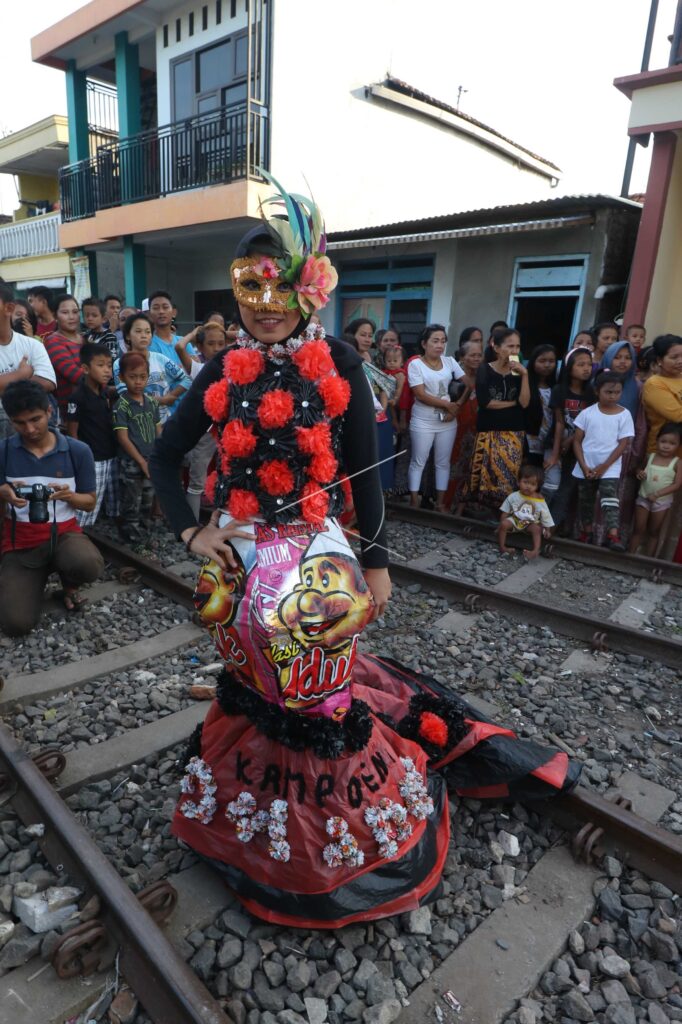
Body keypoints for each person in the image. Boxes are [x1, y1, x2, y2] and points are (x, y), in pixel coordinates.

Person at [149, 178, 575, 928]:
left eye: (282, 286)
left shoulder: (340, 361)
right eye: (252, 286)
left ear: (311, 288)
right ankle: (256, 806)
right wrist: (192, 530)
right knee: (253, 668)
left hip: (316, 539)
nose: (267, 302)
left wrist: (375, 564)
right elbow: (165, 454)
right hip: (242, 543)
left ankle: (316, 815)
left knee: (316, 670)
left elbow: (367, 472)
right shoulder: (219, 369)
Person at [0, 380, 103, 631]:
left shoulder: (78, 451)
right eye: (20, 423)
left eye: (35, 419)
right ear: (11, 421)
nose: (30, 429)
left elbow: (89, 503)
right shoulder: (3, 451)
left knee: (88, 563)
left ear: (49, 411)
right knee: (16, 624)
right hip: (20, 544)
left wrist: (68, 496)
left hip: (64, 536)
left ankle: (68, 584)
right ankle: (33, 580)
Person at [468, 327, 530, 512]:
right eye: (510, 346)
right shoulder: (484, 370)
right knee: (485, 473)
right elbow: (486, 402)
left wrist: (525, 375)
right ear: (496, 346)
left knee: (508, 474)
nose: (514, 351)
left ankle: (502, 513)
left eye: (517, 347)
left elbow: (525, 403)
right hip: (489, 429)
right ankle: (481, 511)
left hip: (513, 430)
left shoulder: (519, 371)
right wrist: (513, 404)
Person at [572, 370, 635, 550]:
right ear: (597, 391)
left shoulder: (624, 415)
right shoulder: (587, 413)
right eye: (608, 392)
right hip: (586, 465)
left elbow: (623, 444)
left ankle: (613, 535)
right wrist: (584, 465)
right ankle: (587, 532)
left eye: (617, 392)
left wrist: (605, 466)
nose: (613, 396)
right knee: (586, 499)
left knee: (609, 498)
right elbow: (577, 441)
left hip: (610, 467)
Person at [407, 324, 465, 511]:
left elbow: (469, 384)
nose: (440, 345)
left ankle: (440, 503)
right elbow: (420, 394)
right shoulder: (416, 364)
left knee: (443, 462)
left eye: (443, 341)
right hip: (423, 419)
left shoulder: (450, 362)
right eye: (435, 341)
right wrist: (448, 405)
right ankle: (414, 500)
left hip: (448, 420)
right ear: (424, 343)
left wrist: (456, 407)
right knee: (418, 461)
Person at [175, 321, 228, 517]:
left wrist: (223, 333)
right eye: (211, 343)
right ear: (199, 347)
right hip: (206, 434)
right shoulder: (198, 369)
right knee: (197, 480)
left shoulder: (232, 367)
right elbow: (180, 346)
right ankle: (192, 526)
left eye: (221, 343)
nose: (216, 348)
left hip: (227, 433)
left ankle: (220, 521)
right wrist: (195, 332)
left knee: (227, 477)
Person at [66, 343, 119, 527]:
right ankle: (81, 533)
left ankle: (112, 528)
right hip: (93, 458)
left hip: (111, 454)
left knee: (114, 501)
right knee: (89, 506)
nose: (107, 370)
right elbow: (73, 433)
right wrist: (80, 462)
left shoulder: (105, 392)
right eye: (101, 365)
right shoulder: (77, 397)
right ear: (85, 369)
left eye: (109, 365)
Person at [113, 352, 161, 547]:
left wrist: (157, 458)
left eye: (142, 377)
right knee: (132, 499)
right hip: (132, 462)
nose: (138, 382)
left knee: (147, 499)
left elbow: (159, 432)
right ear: (122, 377)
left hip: (151, 460)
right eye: (133, 377)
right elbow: (122, 438)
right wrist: (141, 461)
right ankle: (131, 537)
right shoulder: (121, 405)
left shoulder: (152, 402)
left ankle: (144, 532)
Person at [545, 347, 595, 533]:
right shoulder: (560, 390)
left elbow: (589, 424)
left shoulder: (591, 393)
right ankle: (535, 521)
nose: (586, 368)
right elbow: (559, 422)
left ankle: (551, 528)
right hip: (556, 444)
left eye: (589, 364)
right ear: (569, 367)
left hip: (579, 449)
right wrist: (555, 455)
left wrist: (572, 440)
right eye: (581, 364)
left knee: (565, 491)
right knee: (551, 484)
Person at [0, 282, 56, 440]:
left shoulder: (32, 344)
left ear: (9, 308)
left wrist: (5, 384)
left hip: (31, 428)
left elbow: (47, 382)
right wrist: (22, 373)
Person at [346, 318, 396, 492]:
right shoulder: (346, 357)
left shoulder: (375, 357)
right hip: (358, 413)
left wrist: (382, 409)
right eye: (363, 335)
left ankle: (379, 497)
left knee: (380, 455)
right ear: (352, 335)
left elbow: (384, 386)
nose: (367, 339)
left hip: (379, 413)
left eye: (370, 335)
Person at [113, 313, 190, 423]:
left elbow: (187, 378)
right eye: (138, 331)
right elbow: (125, 395)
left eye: (148, 332)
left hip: (164, 423)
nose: (144, 335)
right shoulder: (119, 364)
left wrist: (173, 395)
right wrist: (162, 400)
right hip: (136, 424)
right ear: (128, 335)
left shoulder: (161, 359)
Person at [629, 423, 682, 556]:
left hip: (661, 502)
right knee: (638, 529)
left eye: (672, 443)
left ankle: (648, 560)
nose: (666, 445)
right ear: (657, 440)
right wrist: (639, 472)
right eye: (663, 441)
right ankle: (630, 556)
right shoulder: (650, 457)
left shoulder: (677, 463)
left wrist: (657, 494)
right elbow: (638, 469)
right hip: (643, 498)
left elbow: (677, 484)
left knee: (654, 531)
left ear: (678, 446)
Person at [444, 333, 483, 514]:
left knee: (470, 467)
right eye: (472, 355)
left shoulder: (483, 376)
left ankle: (461, 507)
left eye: (479, 355)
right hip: (453, 426)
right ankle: (444, 503)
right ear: (462, 357)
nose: (476, 359)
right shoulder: (452, 375)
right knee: (451, 465)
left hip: (475, 430)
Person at [498, 464, 554, 559]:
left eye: (533, 484)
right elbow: (505, 512)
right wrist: (500, 525)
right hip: (515, 520)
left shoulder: (539, 500)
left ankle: (535, 551)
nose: (528, 486)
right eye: (525, 482)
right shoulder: (514, 496)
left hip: (530, 523)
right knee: (504, 524)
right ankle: (503, 547)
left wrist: (548, 530)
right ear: (519, 482)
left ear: (537, 486)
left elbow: (546, 515)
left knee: (537, 529)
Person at [43, 294, 83, 420]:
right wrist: (105, 387)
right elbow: (74, 374)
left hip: (95, 405)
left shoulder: (86, 338)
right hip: (71, 412)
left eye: (75, 312)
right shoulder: (53, 341)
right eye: (65, 312)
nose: (71, 317)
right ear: (55, 316)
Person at [642, 335, 682, 455]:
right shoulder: (654, 384)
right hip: (664, 454)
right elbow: (678, 415)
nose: (680, 361)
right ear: (659, 360)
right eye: (674, 357)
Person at [524, 345, 558, 472]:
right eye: (542, 361)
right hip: (528, 441)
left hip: (548, 443)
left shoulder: (556, 387)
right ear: (533, 362)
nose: (547, 365)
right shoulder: (525, 384)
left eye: (551, 361)